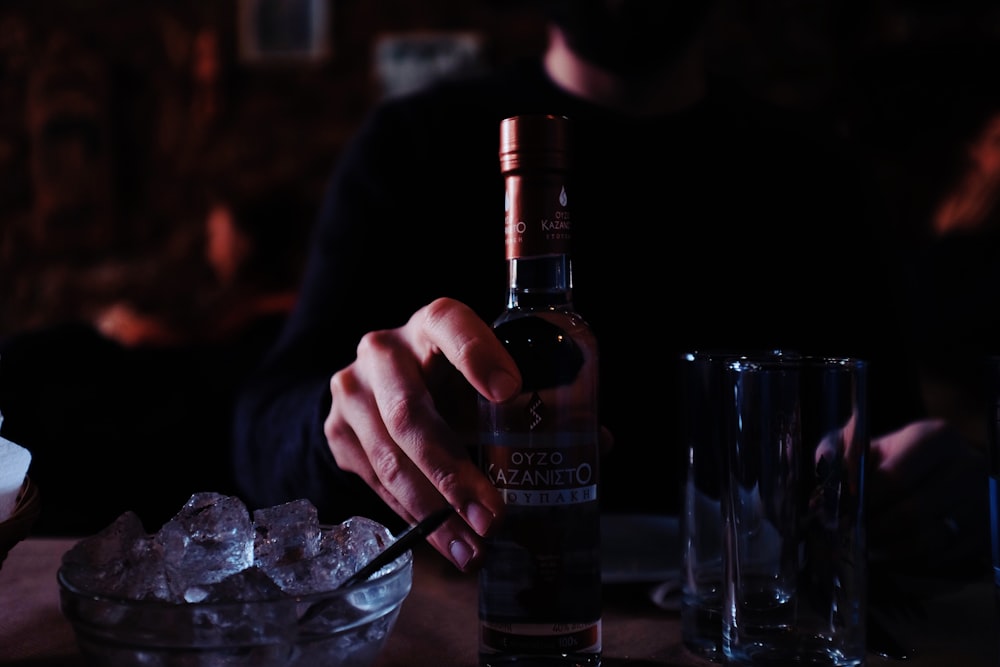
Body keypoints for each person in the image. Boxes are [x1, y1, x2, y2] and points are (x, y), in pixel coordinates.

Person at [232, 0, 988, 576]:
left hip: (752, 628)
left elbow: (893, 442)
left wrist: (933, 497)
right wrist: (352, 418)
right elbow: (264, 427)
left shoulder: (819, 180)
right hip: (485, 621)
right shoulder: (412, 147)